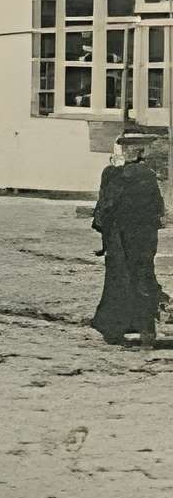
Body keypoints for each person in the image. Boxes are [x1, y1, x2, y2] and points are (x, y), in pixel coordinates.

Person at [90, 126, 165, 346]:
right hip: (138, 236)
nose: (131, 151)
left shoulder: (118, 174)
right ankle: (140, 328)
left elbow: (106, 206)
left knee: (127, 278)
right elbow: (158, 211)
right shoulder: (140, 175)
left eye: (135, 148)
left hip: (127, 236)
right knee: (137, 277)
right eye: (128, 147)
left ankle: (128, 328)